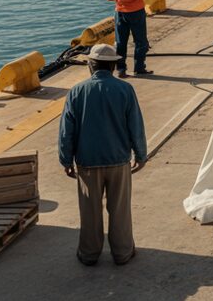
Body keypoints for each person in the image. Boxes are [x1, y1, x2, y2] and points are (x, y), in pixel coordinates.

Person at [58, 44, 148, 266]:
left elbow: (66, 131)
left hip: (87, 162)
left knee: (90, 212)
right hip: (118, 160)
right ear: (113, 65)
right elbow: (135, 126)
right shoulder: (125, 90)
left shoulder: (77, 92)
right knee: (120, 210)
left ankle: (89, 254)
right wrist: (141, 154)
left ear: (91, 65)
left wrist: (66, 159)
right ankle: (123, 252)